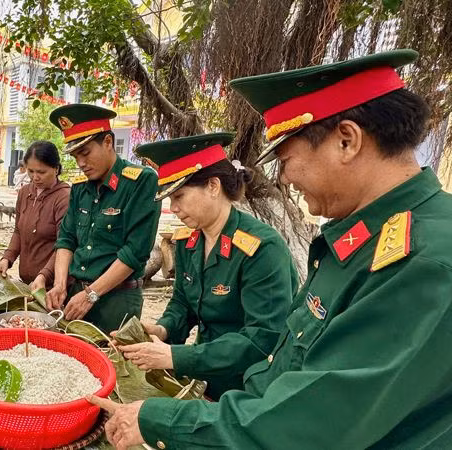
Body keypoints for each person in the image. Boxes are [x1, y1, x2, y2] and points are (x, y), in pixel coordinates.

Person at [89, 49, 452, 450]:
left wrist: (163, 416)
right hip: (241, 408)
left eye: (287, 159)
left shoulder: (423, 260)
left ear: (346, 141)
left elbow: (314, 421)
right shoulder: (355, 238)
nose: (285, 178)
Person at [120, 133, 298, 400]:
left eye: (179, 195)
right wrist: (163, 329)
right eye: (170, 199)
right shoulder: (189, 242)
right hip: (206, 380)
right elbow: (182, 303)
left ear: (213, 186)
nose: (174, 208)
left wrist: (175, 356)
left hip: (252, 389)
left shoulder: (261, 248)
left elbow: (261, 340)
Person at [46, 104, 161, 332]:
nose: (81, 163)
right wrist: (60, 284)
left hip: (117, 301)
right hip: (76, 293)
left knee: (112, 362)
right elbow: (67, 238)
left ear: (108, 142)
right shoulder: (80, 187)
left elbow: (134, 252)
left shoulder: (140, 181)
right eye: (75, 156)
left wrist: (91, 295)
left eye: (86, 153)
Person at [0, 141, 71, 291]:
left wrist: (44, 275)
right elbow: (18, 231)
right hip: (27, 283)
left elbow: (65, 245)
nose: (35, 177)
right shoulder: (24, 193)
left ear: (56, 169)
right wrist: (7, 258)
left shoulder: (64, 198)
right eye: (30, 171)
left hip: (51, 286)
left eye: (41, 172)